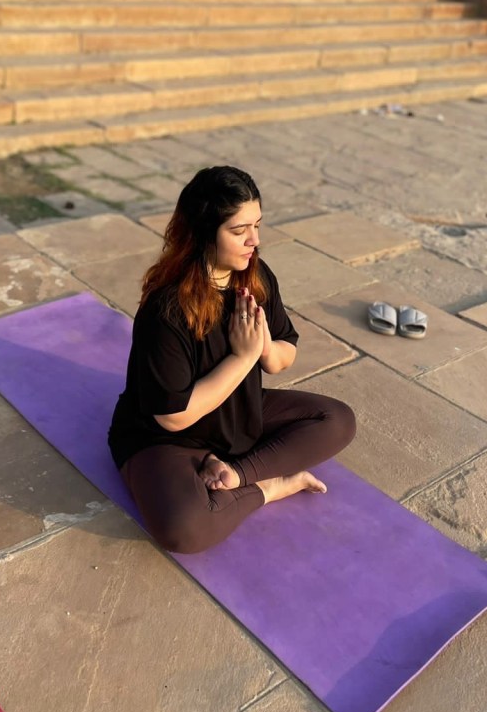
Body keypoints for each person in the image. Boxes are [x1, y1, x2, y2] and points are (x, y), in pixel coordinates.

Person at [108, 166, 357, 555]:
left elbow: (283, 353)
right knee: (185, 529)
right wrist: (243, 358)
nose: (254, 241)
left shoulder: (255, 278)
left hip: (237, 418)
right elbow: (173, 416)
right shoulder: (167, 308)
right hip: (166, 439)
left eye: (257, 225)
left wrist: (265, 350)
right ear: (205, 233)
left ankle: (234, 474)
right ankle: (267, 486)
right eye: (239, 231)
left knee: (337, 419)